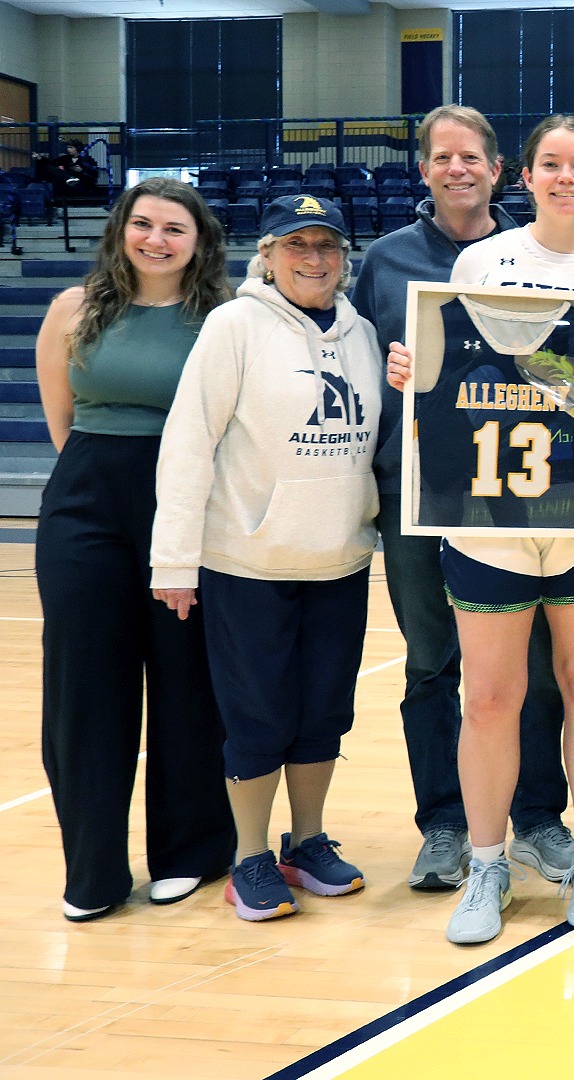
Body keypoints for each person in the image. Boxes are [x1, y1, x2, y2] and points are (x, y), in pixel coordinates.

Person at [385, 115, 574, 945]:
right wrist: (415, 369)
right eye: (553, 165)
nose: (568, 178)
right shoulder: (482, 262)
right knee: (492, 699)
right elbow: (450, 371)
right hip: (487, 519)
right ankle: (487, 863)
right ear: (528, 177)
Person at [151, 195, 383, 922]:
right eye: (296, 246)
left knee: (323, 714)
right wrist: (174, 561)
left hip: (339, 559)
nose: (313, 259)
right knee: (258, 718)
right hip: (247, 560)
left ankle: (305, 841)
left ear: (346, 257)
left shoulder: (365, 334)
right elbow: (189, 442)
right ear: (269, 254)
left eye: (327, 247)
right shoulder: (234, 325)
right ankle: (250, 854)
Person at [36, 179, 235, 922]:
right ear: (121, 229)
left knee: (186, 680)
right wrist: (102, 488)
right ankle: (91, 870)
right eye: (143, 224)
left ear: (199, 241)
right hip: (87, 503)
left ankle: (189, 851)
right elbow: (65, 418)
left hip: (184, 502)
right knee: (83, 688)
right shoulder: (74, 309)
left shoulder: (221, 317)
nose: (156, 239)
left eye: (174, 228)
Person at [354, 104, 524, 892]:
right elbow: (354, 372)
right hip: (414, 488)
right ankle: (445, 824)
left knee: (526, 670)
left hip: (515, 491)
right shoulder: (385, 261)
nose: (457, 168)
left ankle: (533, 817)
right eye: (441, 157)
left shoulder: (533, 252)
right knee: (432, 664)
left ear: (497, 168)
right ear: (423, 169)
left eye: (471, 157)